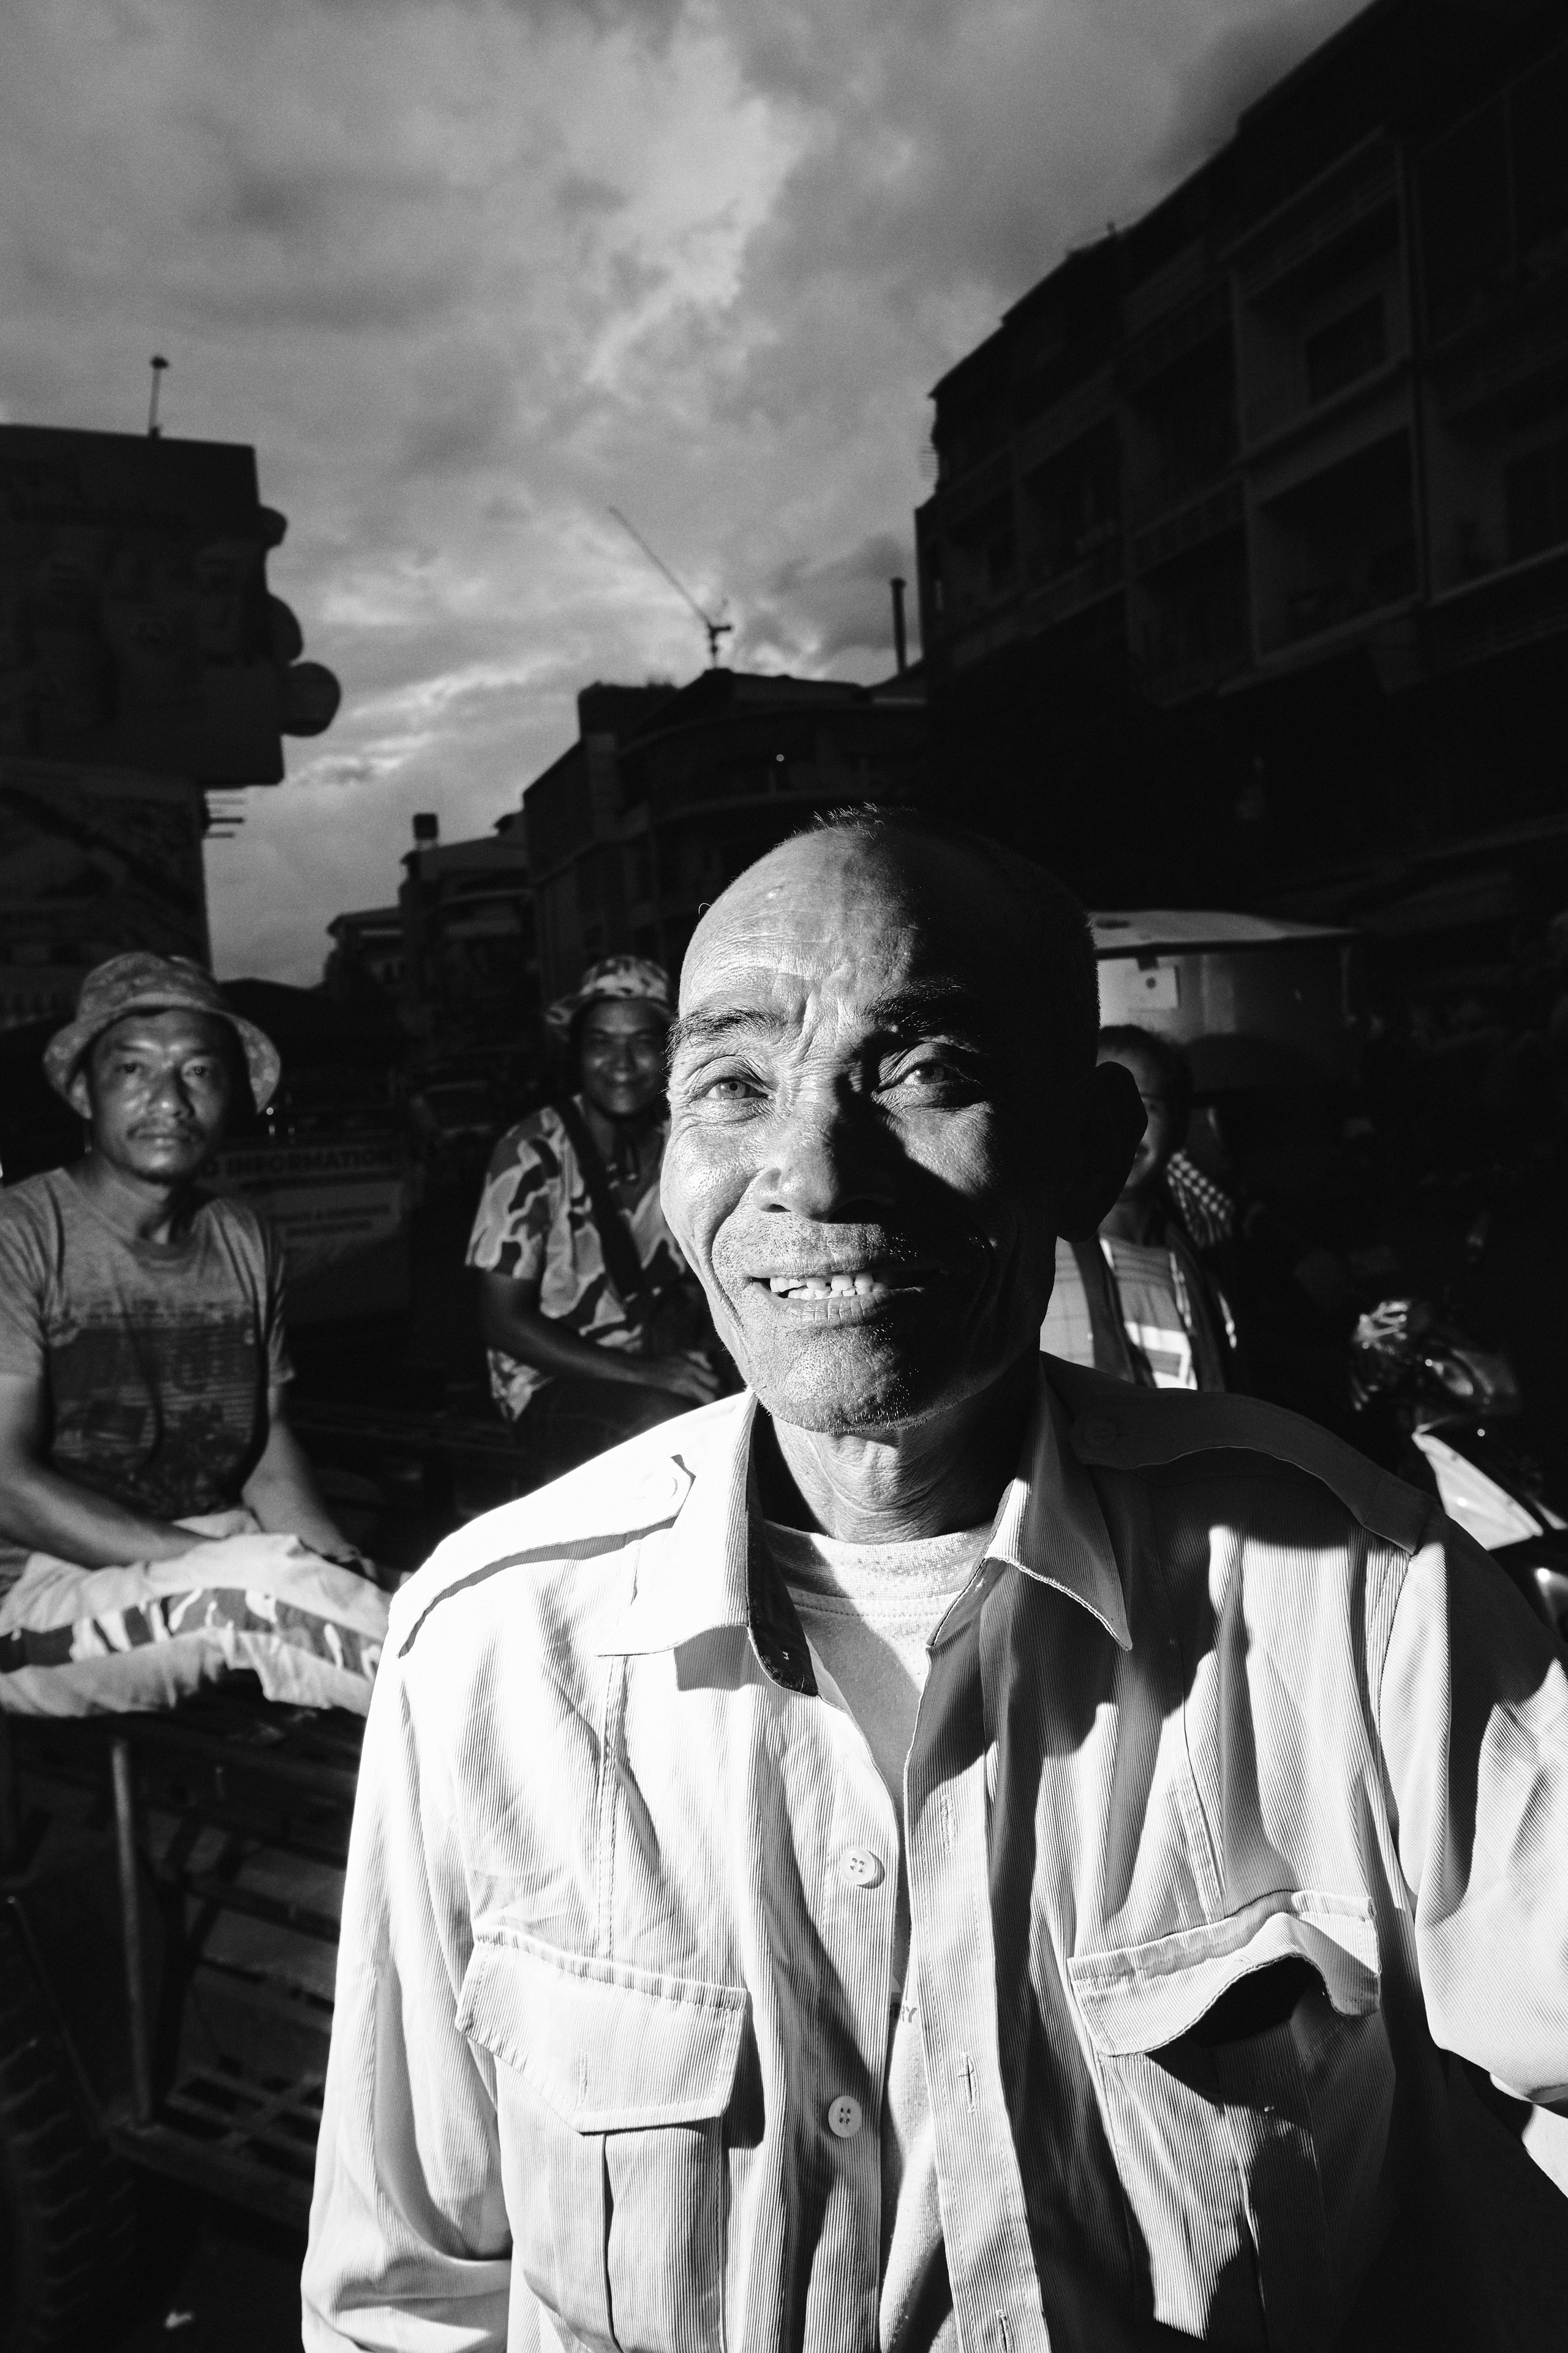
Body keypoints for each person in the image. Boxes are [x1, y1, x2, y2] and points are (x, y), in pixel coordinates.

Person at [306, 812, 1568, 2352]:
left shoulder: (1351, 1588)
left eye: (922, 1072)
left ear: (1086, 1147)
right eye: (733, 1085)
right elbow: (410, 2301)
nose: (814, 1172)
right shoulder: (491, 1649)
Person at [0, 954, 386, 1716]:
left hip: (198, 1551)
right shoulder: (20, 1234)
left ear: (233, 1094)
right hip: (27, 1597)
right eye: (134, 1070)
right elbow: (5, 1483)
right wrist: (232, 1562)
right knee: (262, 1593)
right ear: (84, 1090)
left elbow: (266, 1448)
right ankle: (531, 1759)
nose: (169, 1100)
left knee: (421, 1595)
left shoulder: (240, 1235)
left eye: (200, 1071)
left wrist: (336, 1562)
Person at [466, 954, 721, 1476]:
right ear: (578, 1054)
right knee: (667, 1426)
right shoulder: (531, 1151)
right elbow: (502, 1321)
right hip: (549, 1381)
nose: (622, 1063)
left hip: (663, 1355)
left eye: (643, 1042)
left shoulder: (689, 1139)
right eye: (601, 1043)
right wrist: (649, 1374)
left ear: (671, 1050)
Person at [1041, 1024, 1242, 1390]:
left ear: (1178, 1129)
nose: (1124, 1126)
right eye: (1100, 1105)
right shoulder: (1035, 1265)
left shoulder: (1203, 1271)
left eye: (1147, 1105)